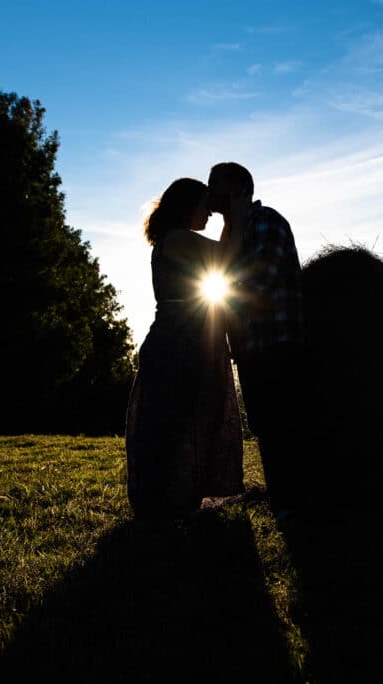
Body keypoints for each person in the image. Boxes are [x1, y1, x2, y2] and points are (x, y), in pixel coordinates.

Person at [125, 178, 245, 518]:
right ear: (187, 206)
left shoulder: (176, 240)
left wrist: (229, 222)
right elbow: (227, 257)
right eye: (205, 204)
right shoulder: (178, 239)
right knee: (175, 426)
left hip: (181, 341)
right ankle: (168, 505)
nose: (209, 212)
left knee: (180, 425)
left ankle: (176, 503)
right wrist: (233, 216)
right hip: (177, 344)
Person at [207, 162, 308, 515]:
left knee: (283, 422)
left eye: (214, 184)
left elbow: (255, 287)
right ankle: (284, 500)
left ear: (236, 187)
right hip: (253, 347)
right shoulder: (234, 230)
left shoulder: (265, 222)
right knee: (267, 425)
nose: (209, 193)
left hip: (276, 344)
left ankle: (296, 500)